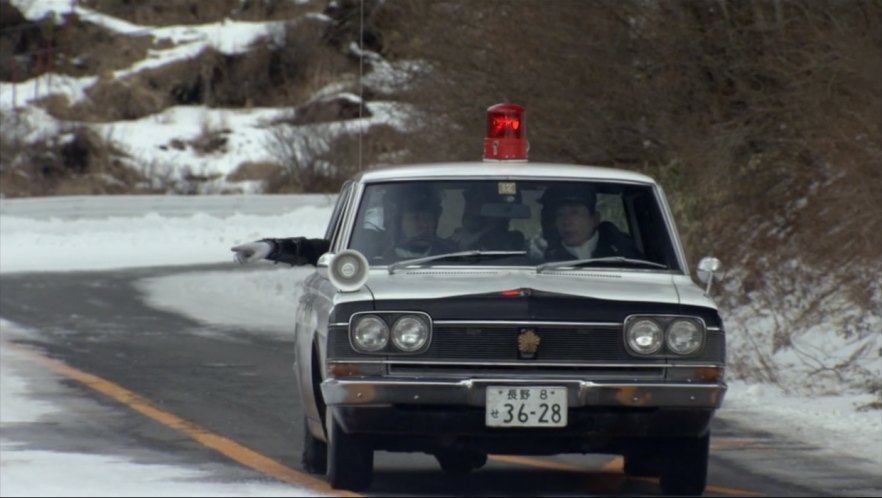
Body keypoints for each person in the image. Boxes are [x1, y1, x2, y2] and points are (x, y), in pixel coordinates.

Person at [540, 184, 643, 262]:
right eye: (560, 214)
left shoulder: (623, 251)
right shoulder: (545, 257)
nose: (566, 222)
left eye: (575, 213)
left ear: (594, 219)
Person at [382, 185, 456, 260]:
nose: (423, 225)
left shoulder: (450, 256)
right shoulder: (380, 259)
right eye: (414, 218)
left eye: (428, 218)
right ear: (400, 222)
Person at [449, 184, 525, 251]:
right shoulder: (456, 239)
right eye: (470, 202)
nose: (470, 209)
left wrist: (478, 235)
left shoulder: (514, 240)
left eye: (477, 201)